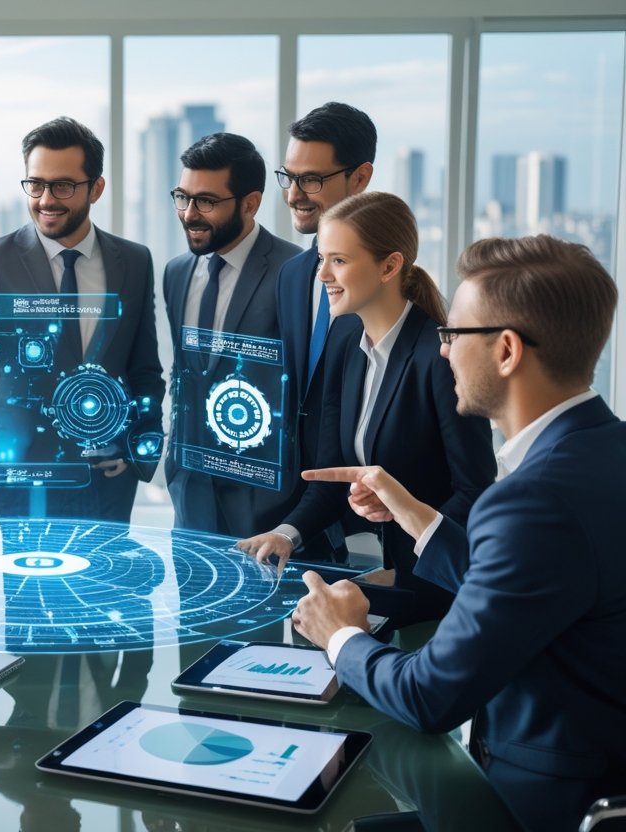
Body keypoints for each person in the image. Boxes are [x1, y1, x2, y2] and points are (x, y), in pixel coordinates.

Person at [290, 235, 625, 831]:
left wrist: (339, 636)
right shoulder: (604, 450)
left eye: (453, 335)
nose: (441, 352)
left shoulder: (531, 498)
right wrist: (412, 512)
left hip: (535, 805)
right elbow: (527, 585)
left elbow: (428, 697)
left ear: (506, 350)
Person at [241, 192, 495, 622]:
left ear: (390, 266)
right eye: (322, 258)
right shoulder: (343, 341)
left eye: (338, 260)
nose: (322, 274)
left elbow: (475, 494)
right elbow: (330, 477)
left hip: (434, 592)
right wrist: (286, 533)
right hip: (371, 579)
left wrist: (401, 511)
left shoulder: (440, 358)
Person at [0, 116, 164, 523]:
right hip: (25, 475)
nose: (45, 199)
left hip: (108, 478)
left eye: (62, 186)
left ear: (96, 188)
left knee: (107, 588)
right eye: (35, 184)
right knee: (25, 590)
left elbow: (144, 366)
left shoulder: (133, 260)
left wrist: (137, 451)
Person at [162, 132, 301, 536]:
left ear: (251, 203)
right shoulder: (176, 272)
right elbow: (185, 374)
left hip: (265, 503)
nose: (189, 213)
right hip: (190, 499)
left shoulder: (295, 272)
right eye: (182, 197)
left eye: (206, 201)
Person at [273, 102, 376, 560]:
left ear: (360, 178)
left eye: (312, 179)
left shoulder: (392, 287)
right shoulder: (293, 275)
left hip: (374, 526)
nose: (295, 194)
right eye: (289, 177)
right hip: (295, 517)